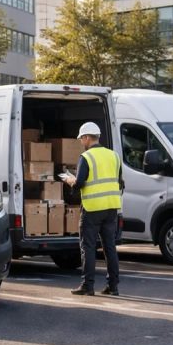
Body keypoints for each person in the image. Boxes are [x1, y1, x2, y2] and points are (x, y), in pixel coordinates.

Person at [61, 121, 123, 296]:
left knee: (87, 246)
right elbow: (119, 181)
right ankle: (113, 286)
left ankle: (88, 285)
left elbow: (79, 183)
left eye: (82, 138)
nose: (81, 142)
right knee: (110, 247)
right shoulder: (114, 156)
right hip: (111, 207)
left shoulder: (86, 157)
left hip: (92, 208)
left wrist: (69, 180)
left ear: (88, 137)